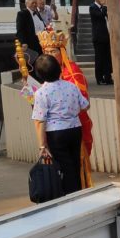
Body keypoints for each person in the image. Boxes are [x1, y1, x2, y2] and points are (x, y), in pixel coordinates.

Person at [38, 30, 94, 190]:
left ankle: (74, 192)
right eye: (46, 51)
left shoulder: (73, 71)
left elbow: (84, 102)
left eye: (53, 51)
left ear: (61, 51)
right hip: (67, 128)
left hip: (73, 125)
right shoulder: (47, 78)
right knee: (66, 166)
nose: (50, 54)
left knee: (71, 165)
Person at [31, 54, 89, 196]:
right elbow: (86, 105)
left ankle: (70, 196)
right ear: (58, 69)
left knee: (63, 167)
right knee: (74, 163)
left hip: (56, 133)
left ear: (39, 74)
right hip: (75, 128)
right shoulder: (71, 87)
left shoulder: (41, 93)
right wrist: (71, 112)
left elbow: (40, 121)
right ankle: (78, 193)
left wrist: (42, 145)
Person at [89, 0, 112, 85]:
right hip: (98, 37)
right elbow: (100, 15)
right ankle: (99, 78)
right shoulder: (92, 7)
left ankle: (108, 77)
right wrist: (105, 6)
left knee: (107, 58)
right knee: (99, 58)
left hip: (106, 36)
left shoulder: (103, 7)